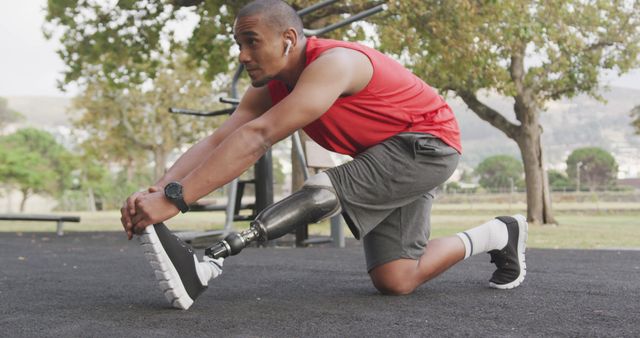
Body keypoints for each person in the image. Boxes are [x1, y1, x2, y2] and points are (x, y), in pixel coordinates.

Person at [121, 0, 527, 310]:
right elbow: (220, 140)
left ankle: (209, 262)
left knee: (322, 191)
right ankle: (499, 233)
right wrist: (156, 189)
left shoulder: (334, 64)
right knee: (396, 278)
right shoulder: (270, 85)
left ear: (289, 40)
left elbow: (258, 137)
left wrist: (176, 201)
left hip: (426, 147)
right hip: (386, 157)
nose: (243, 56)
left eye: (252, 42)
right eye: (239, 44)